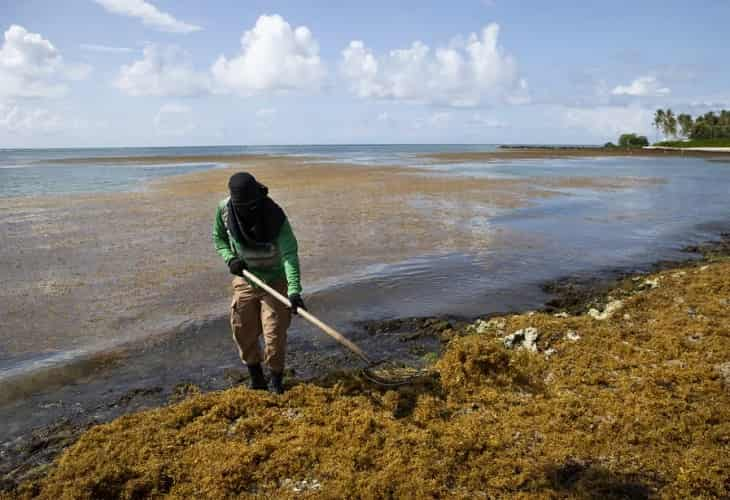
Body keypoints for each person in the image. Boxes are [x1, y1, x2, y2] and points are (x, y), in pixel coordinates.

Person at [213, 172, 305, 394]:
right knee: (243, 329)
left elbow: (289, 254)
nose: (246, 211)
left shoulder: (274, 215)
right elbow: (219, 238)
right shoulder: (225, 210)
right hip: (246, 278)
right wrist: (230, 259)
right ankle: (256, 379)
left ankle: (275, 382)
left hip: (275, 281)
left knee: (274, 333)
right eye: (241, 206)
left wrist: (293, 291)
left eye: (250, 206)